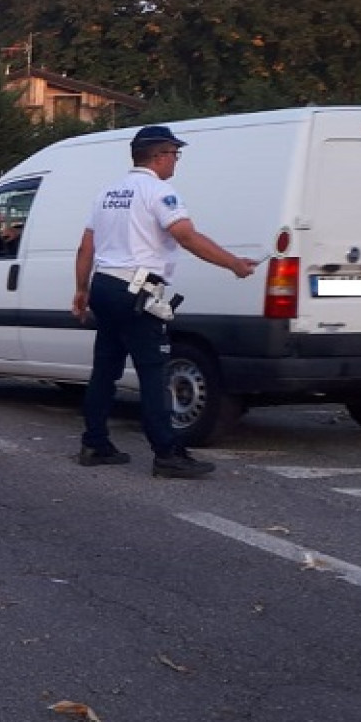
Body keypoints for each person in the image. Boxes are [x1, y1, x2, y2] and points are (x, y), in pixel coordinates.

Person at [71, 125, 257, 478]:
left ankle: (94, 443)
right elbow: (186, 236)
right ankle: (167, 453)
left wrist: (81, 291)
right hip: (136, 290)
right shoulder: (159, 192)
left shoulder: (107, 193)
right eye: (174, 153)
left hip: (104, 286)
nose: (176, 160)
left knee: (105, 370)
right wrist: (233, 263)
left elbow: (85, 248)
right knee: (154, 372)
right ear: (158, 156)